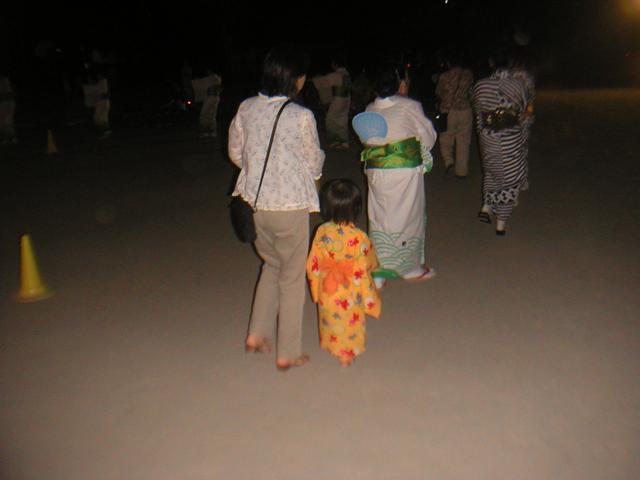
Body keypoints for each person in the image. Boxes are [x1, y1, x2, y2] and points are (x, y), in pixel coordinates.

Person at [228, 46, 325, 371]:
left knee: (271, 265)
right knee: (293, 276)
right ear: (296, 79)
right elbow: (313, 161)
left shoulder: (246, 108)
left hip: (254, 203)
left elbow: (236, 155)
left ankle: (256, 335)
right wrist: (312, 172)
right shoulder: (301, 116)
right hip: (289, 206)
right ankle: (288, 351)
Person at [353, 65, 438, 289]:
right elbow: (428, 138)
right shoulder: (410, 106)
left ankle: (379, 270)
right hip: (403, 171)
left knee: (380, 215)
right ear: (400, 83)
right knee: (407, 214)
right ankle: (409, 268)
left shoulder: (370, 107)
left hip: (376, 171)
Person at [306, 179, 381, 367]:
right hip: (350, 288)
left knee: (330, 318)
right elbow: (366, 264)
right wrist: (370, 290)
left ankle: (333, 345)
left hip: (328, 286)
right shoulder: (359, 236)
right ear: (356, 208)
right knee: (351, 322)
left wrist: (316, 287)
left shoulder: (321, 231)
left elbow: (313, 263)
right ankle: (346, 354)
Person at [471, 48, 534, 235]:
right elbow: (523, 112)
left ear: (491, 62)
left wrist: (482, 134)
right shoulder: (518, 85)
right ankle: (501, 224)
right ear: (509, 63)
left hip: (488, 136)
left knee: (491, 171)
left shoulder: (480, 86)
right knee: (510, 179)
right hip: (510, 137)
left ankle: (487, 205)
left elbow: (478, 114)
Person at [435, 51, 474, 178]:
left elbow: (439, 92)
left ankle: (449, 162)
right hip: (465, 110)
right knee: (463, 140)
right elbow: (471, 92)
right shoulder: (468, 75)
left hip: (448, 111)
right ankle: (462, 171)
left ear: (449, 62)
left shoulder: (444, 76)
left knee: (446, 138)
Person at [312, 54, 351, 149]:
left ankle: (335, 142)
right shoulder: (347, 74)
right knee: (342, 119)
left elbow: (323, 82)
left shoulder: (336, 75)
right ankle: (344, 142)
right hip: (346, 98)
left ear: (335, 64)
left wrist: (314, 79)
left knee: (331, 119)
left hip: (338, 99)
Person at [192, 65, 222, 138]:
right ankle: (212, 131)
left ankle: (205, 132)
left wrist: (193, 81)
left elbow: (201, 84)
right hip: (216, 97)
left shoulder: (212, 78)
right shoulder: (217, 78)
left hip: (211, 97)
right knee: (212, 115)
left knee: (204, 114)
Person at [82, 67, 111, 138]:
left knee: (101, 118)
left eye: (99, 75)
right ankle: (103, 132)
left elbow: (99, 91)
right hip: (101, 102)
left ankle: (105, 131)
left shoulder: (103, 82)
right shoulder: (100, 83)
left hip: (103, 102)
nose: (98, 76)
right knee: (98, 118)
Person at [0, 72, 17, 144]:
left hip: (5, 102)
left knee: (4, 121)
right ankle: (11, 138)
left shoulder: (3, 82)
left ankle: (6, 138)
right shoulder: (8, 83)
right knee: (8, 121)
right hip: (8, 101)